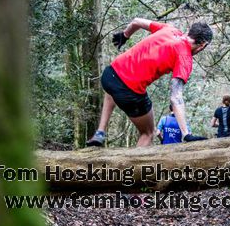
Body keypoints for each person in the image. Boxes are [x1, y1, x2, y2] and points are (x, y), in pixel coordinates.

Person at [86, 18, 212, 147]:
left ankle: (100, 132)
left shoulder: (170, 29)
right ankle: (133, 167)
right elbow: (176, 97)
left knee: (112, 89)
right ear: (202, 45)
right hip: (129, 91)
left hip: (109, 74)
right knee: (148, 133)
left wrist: (124, 35)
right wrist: (186, 134)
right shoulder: (185, 58)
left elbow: (136, 21)